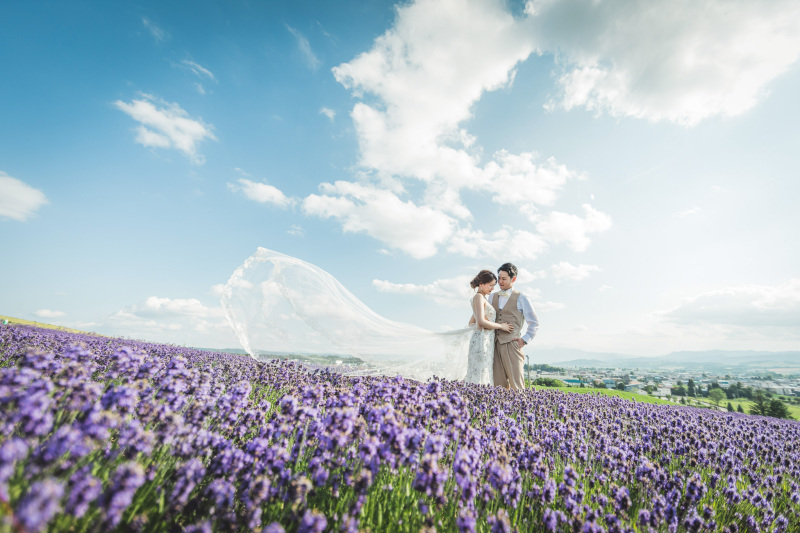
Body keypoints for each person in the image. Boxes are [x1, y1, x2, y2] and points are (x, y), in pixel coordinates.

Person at [491, 263, 539, 390]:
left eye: (504, 279)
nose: (500, 282)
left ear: (513, 279)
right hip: (493, 345)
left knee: (517, 385)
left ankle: (521, 410)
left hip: (512, 344)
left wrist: (525, 339)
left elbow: (534, 322)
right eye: (499, 278)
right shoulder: (492, 296)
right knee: (498, 386)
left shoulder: (522, 298)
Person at [465, 270, 513, 385]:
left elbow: (472, 322)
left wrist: (485, 324)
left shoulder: (482, 298)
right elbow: (480, 322)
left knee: (483, 370)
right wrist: (501, 326)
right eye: (490, 285)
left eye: (493, 286)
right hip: (481, 340)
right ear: (481, 284)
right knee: (480, 370)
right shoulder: (478, 297)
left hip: (484, 338)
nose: (492, 288)